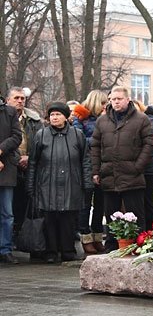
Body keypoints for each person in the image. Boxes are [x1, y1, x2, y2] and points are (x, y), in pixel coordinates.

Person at [91, 86, 153, 252]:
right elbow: (96, 146)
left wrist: (138, 166)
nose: (116, 102)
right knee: (111, 214)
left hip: (132, 175)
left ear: (128, 100)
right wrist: (96, 171)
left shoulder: (141, 119)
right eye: (113, 99)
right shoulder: (102, 121)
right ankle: (112, 246)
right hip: (109, 175)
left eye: (119, 99)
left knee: (136, 215)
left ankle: (139, 245)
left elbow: (149, 144)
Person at [26, 102, 92, 263]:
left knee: (68, 219)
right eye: (52, 115)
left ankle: (68, 250)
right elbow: (33, 162)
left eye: (58, 114)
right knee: (49, 219)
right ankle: (51, 251)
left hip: (71, 183)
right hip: (47, 184)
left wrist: (87, 183)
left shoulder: (77, 135)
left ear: (65, 116)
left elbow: (86, 161)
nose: (54, 117)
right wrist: (31, 185)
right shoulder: (42, 135)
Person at [5, 87, 43, 244]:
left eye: (22, 98)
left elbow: (40, 141)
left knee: (24, 203)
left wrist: (30, 158)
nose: (20, 101)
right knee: (7, 206)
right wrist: (17, 158)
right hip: (8, 165)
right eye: (16, 98)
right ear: (8, 100)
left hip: (29, 166)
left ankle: (21, 237)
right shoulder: (4, 118)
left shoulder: (34, 120)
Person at [72, 90, 108, 254]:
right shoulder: (80, 118)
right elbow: (78, 140)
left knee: (101, 204)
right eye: (103, 103)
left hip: (102, 164)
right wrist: (98, 139)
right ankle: (85, 236)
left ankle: (98, 236)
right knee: (86, 204)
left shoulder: (105, 119)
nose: (105, 105)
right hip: (86, 165)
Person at [0, 97, 22, 264]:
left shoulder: (9, 112)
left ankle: (5, 249)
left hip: (6, 168)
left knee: (7, 214)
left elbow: (16, 136)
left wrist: (1, 150)